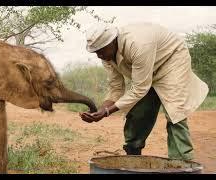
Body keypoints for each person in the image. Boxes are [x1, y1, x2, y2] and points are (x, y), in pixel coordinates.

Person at [79, 22, 209, 160]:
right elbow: (116, 87)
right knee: (138, 110)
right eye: (95, 52)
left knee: (175, 112)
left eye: (101, 50)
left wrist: (107, 112)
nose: (99, 55)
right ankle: (133, 153)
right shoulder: (107, 56)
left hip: (171, 61)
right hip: (147, 70)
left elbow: (139, 88)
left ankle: (183, 161)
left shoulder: (138, 44)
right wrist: (102, 109)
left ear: (112, 42)